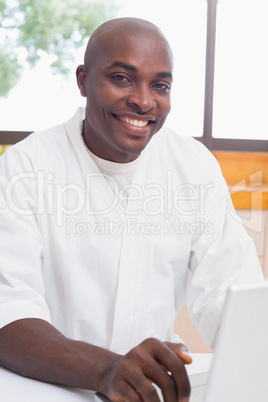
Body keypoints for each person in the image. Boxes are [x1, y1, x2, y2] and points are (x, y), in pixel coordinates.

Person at [0, 17, 263, 402]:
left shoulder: (193, 165)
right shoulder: (23, 168)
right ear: (83, 80)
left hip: (152, 391)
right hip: (46, 388)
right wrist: (107, 369)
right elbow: (8, 313)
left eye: (160, 85)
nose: (144, 100)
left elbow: (231, 293)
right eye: (122, 78)